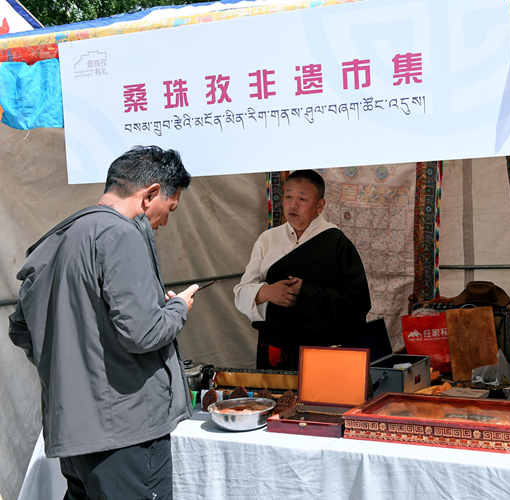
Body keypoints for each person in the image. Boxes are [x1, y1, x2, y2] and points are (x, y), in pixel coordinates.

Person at [8, 145, 199, 500]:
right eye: (170, 208)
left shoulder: (57, 238)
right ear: (150, 194)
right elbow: (143, 333)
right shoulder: (121, 233)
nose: (164, 222)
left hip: (74, 431)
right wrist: (178, 308)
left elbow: (22, 329)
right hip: (125, 433)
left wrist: (72, 367)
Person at [234, 169, 371, 369]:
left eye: (302, 199)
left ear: (320, 205)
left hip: (322, 353)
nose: (293, 205)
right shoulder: (268, 239)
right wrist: (266, 292)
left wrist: (307, 292)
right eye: (288, 196)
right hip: (274, 352)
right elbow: (240, 293)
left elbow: (358, 303)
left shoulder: (336, 242)